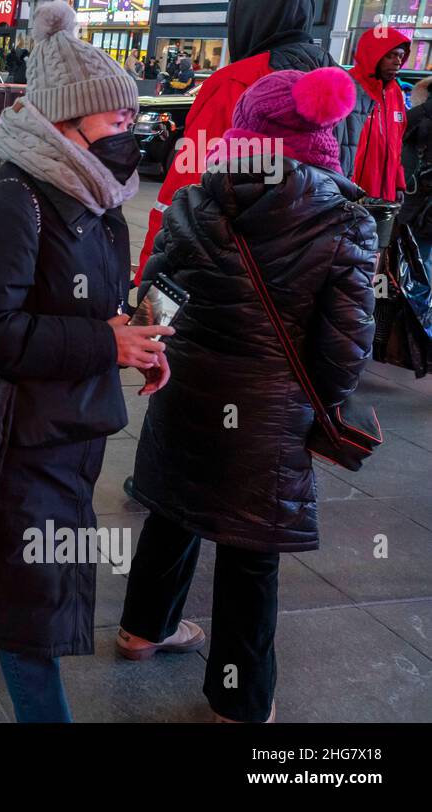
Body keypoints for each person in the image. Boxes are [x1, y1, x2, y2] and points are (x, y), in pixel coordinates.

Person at [0, 0, 165, 717]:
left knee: (3, 567)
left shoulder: (94, 196)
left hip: (65, 426)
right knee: (35, 604)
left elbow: (76, 308)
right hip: (14, 439)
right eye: (116, 120)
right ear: (66, 123)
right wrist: (102, 343)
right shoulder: (14, 202)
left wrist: (126, 341)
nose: (129, 134)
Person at [120, 67, 376, 723]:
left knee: (173, 510)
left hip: (185, 391)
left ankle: (142, 630)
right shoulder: (343, 220)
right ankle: (236, 700)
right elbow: (345, 344)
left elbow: (155, 299)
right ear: (323, 137)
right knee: (250, 551)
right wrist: (319, 406)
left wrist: (161, 364)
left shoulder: (195, 198)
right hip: (269, 410)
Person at [135, 0, 340, 283]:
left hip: (231, 267)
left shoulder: (235, 81)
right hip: (313, 264)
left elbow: (187, 186)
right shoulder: (338, 84)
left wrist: (149, 273)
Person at [342, 26, 411, 203]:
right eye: (391, 55)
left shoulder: (395, 92)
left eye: (400, 56)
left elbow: (396, 144)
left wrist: (398, 183)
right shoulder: (346, 86)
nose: (397, 61)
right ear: (374, 56)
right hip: (351, 193)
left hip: (384, 194)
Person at [398, 76, 432, 274]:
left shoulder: (417, 116)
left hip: (417, 200)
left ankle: (416, 302)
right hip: (421, 199)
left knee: (417, 256)